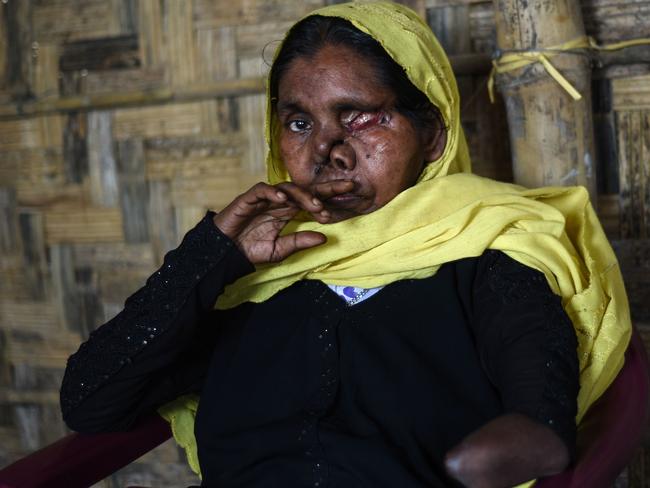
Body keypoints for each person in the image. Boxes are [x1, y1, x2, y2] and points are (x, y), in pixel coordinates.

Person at [60, 2, 631, 487]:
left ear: (430, 134)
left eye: (359, 117)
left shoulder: (491, 247)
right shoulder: (250, 280)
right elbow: (92, 402)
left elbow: (536, 400)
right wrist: (211, 255)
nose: (327, 148)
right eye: (299, 123)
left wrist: (533, 426)